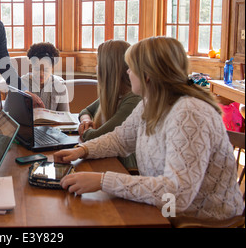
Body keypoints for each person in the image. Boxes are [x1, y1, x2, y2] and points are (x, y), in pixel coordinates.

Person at [54, 37, 244, 220]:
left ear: (148, 74)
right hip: (164, 209)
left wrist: (102, 181)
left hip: (198, 220)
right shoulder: (150, 102)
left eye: (131, 68)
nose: (127, 72)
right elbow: (120, 140)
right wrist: (82, 150)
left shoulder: (189, 113)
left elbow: (177, 194)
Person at [78, 40, 141, 171]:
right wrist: (86, 120)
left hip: (125, 168)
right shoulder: (113, 95)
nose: (96, 67)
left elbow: (95, 137)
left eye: (97, 63)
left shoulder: (132, 100)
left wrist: (86, 131)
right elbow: (85, 110)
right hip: (108, 159)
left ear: (107, 67)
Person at [20, 42, 68, 111]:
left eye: (46, 70)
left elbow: (65, 116)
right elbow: (9, 113)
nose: (41, 74)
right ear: (31, 67)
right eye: (37, 69)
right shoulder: (21, 83)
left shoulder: (60, 86)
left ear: (52, 68)